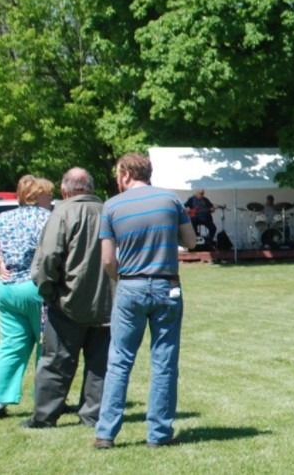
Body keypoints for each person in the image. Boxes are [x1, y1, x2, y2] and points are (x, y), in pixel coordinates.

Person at [94, 152, 195, 450]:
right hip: (167, 286)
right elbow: (191, 241)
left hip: (129, 286)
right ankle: (159, 434)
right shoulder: (171, 200)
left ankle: (105, 434)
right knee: (164, 361)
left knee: (119, 361)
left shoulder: (111, 205)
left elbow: (107, 259)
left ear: (126, 174)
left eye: (117, 174)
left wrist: (122, 280)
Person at [24, 167, 114, 429]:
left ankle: (45, 416)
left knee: (56, 361)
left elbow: (49, 257)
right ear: (91, 188)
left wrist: (48, 290)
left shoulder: (62, 212)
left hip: (67, 301)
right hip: (108, 301)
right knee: (100, 365)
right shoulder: (109, 210)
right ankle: (93, 415)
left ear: (65, 190)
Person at [0, 175, 54, 420]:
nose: (52, 199)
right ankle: (45, 400)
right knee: (46, 345)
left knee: (10, 345)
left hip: (7, 288)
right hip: (35, 287)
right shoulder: (48, 218)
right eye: (49, 194)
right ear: (38, 195)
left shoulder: (4, 217)